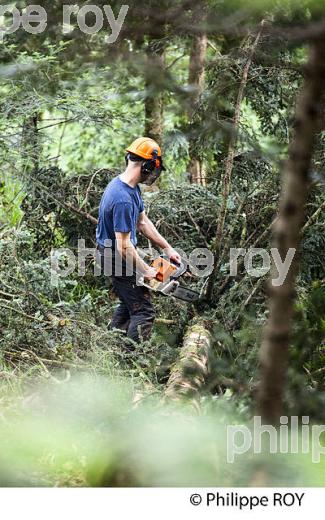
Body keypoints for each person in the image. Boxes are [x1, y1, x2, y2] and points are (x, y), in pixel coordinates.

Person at [96, 137, 181, 344]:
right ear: (147, 166)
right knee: (143, 311)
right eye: (153, 169)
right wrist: (146, 270)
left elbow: (143, 222)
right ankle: (132, 360)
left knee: (130, 302)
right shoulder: (122, 198)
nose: (153, 174)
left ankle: (108, 345)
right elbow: (123, 246)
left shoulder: (128, 187)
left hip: (116, 253)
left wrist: (167, 248)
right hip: (115, 257)